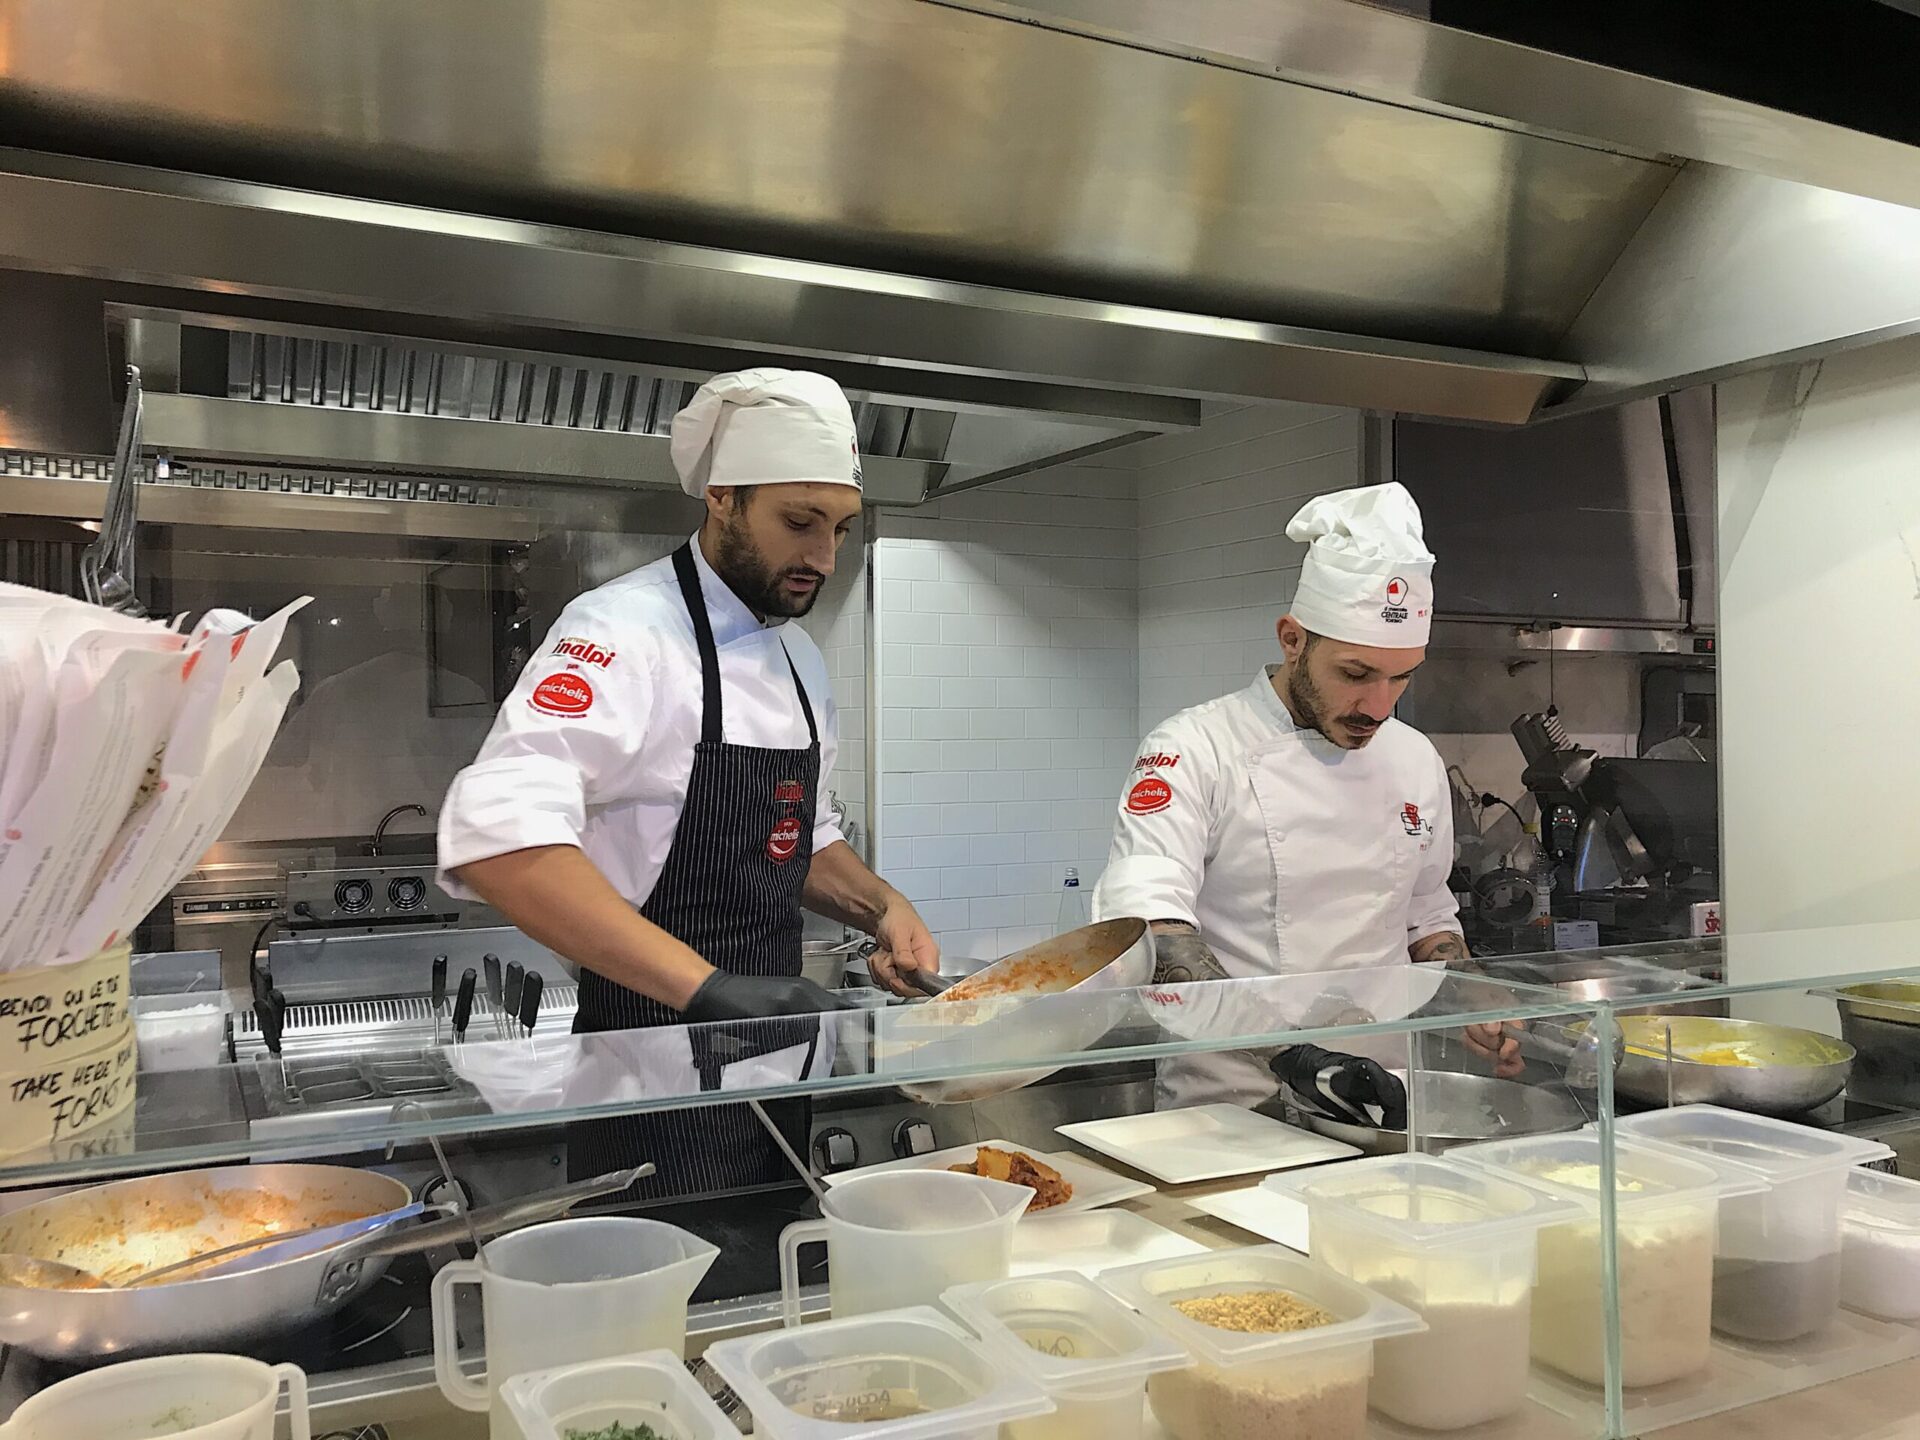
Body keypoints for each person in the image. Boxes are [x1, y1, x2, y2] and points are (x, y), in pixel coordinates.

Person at [438, 367, 940, 1197]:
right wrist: (705, 989)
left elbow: (794, 836)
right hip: (647, 1082)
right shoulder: (622, 632)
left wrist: (882, 906)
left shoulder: (797, 656)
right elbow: (501, 841)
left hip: (779, 1081)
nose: (823, 555)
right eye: (799, 521)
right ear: (722, 497)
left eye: (843, 528)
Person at [1091, 481, 1519, 1113]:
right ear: (1292, 639)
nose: (1379, 706)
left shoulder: (1413, 759)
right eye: (1356, 674)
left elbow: (1426, 913)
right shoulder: (1194, 748)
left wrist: (1470, 992)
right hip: (1229, 1103)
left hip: (1380, 1096)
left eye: (1402, 676)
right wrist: (1294, 1055)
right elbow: (1149, 930)